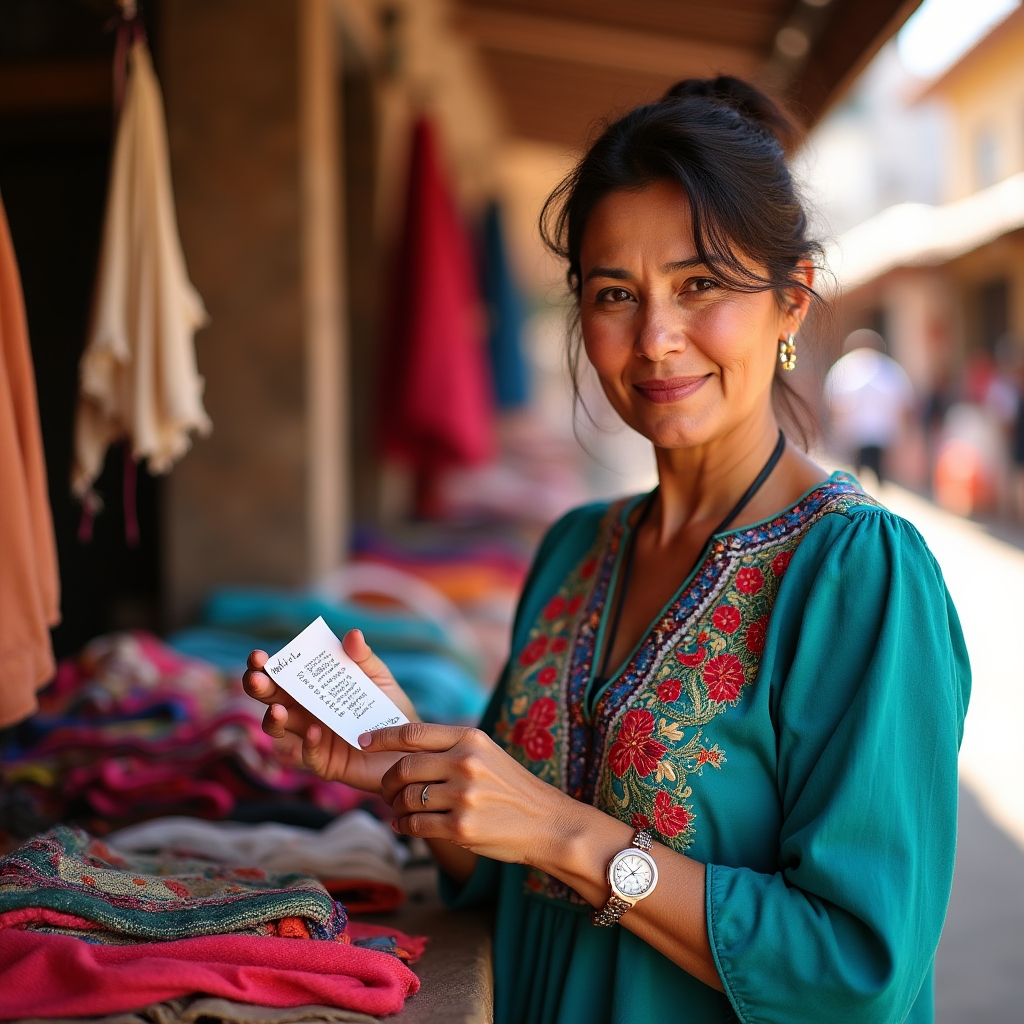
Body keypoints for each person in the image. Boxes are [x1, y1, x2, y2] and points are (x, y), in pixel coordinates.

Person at [244, 77, 970, 1024]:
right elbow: (508, 876)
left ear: (790, 304)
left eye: (699, 284)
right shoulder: (575, 552)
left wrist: (559, 832)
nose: (657, 339)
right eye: (615, 294)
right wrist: (408, 766)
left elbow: (858, 967)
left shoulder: (859, 578)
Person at [823, 328, 915, 485]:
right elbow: (903, 402)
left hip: (857, 432)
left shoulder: (845, 366)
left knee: (857, 476)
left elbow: (834, 402)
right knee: (877, 474)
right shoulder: (889, 368)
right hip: (879, 432)